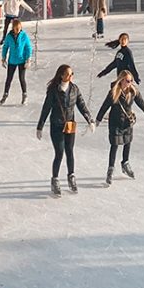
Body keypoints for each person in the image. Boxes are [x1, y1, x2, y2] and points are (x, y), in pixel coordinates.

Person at [36, 64, 93, 196]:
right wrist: (40, 126)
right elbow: (46, 108)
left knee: (70, 151)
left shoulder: (74, 89)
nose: (71, 76)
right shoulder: (53, 90)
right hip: (57, 125)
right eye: (68, 74)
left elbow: (82, 105)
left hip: (70, 125)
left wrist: (89, 119)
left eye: (72, 74)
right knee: (59, 152)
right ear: (62, 75)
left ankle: (71, 176)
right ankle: (55, 179)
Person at [96, 70, 144, 184]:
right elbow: (105, 106)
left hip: (127, 122)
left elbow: (140, 102)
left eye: (131, 81)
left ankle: (125, 163)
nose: (130, 83)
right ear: (121, 81)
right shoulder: (114, 92)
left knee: (127, 142)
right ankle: (110, 169)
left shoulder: (133, 91)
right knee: (115, 145)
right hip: (115, 122)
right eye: (127, 81)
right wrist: (98, 119)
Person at [0, 19, 33, 104]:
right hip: (12, 61)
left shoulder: (24, 36)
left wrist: (28, 59)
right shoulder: (9, 36)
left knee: (21, 78)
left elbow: (28, 47)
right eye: (16, 28)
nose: (18, 30)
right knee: (9, 79)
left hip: (22, 61)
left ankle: (24, 94)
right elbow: (5, 47)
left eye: (19, 28)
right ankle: (5, 94)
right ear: (13, 28)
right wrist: (3, 58)